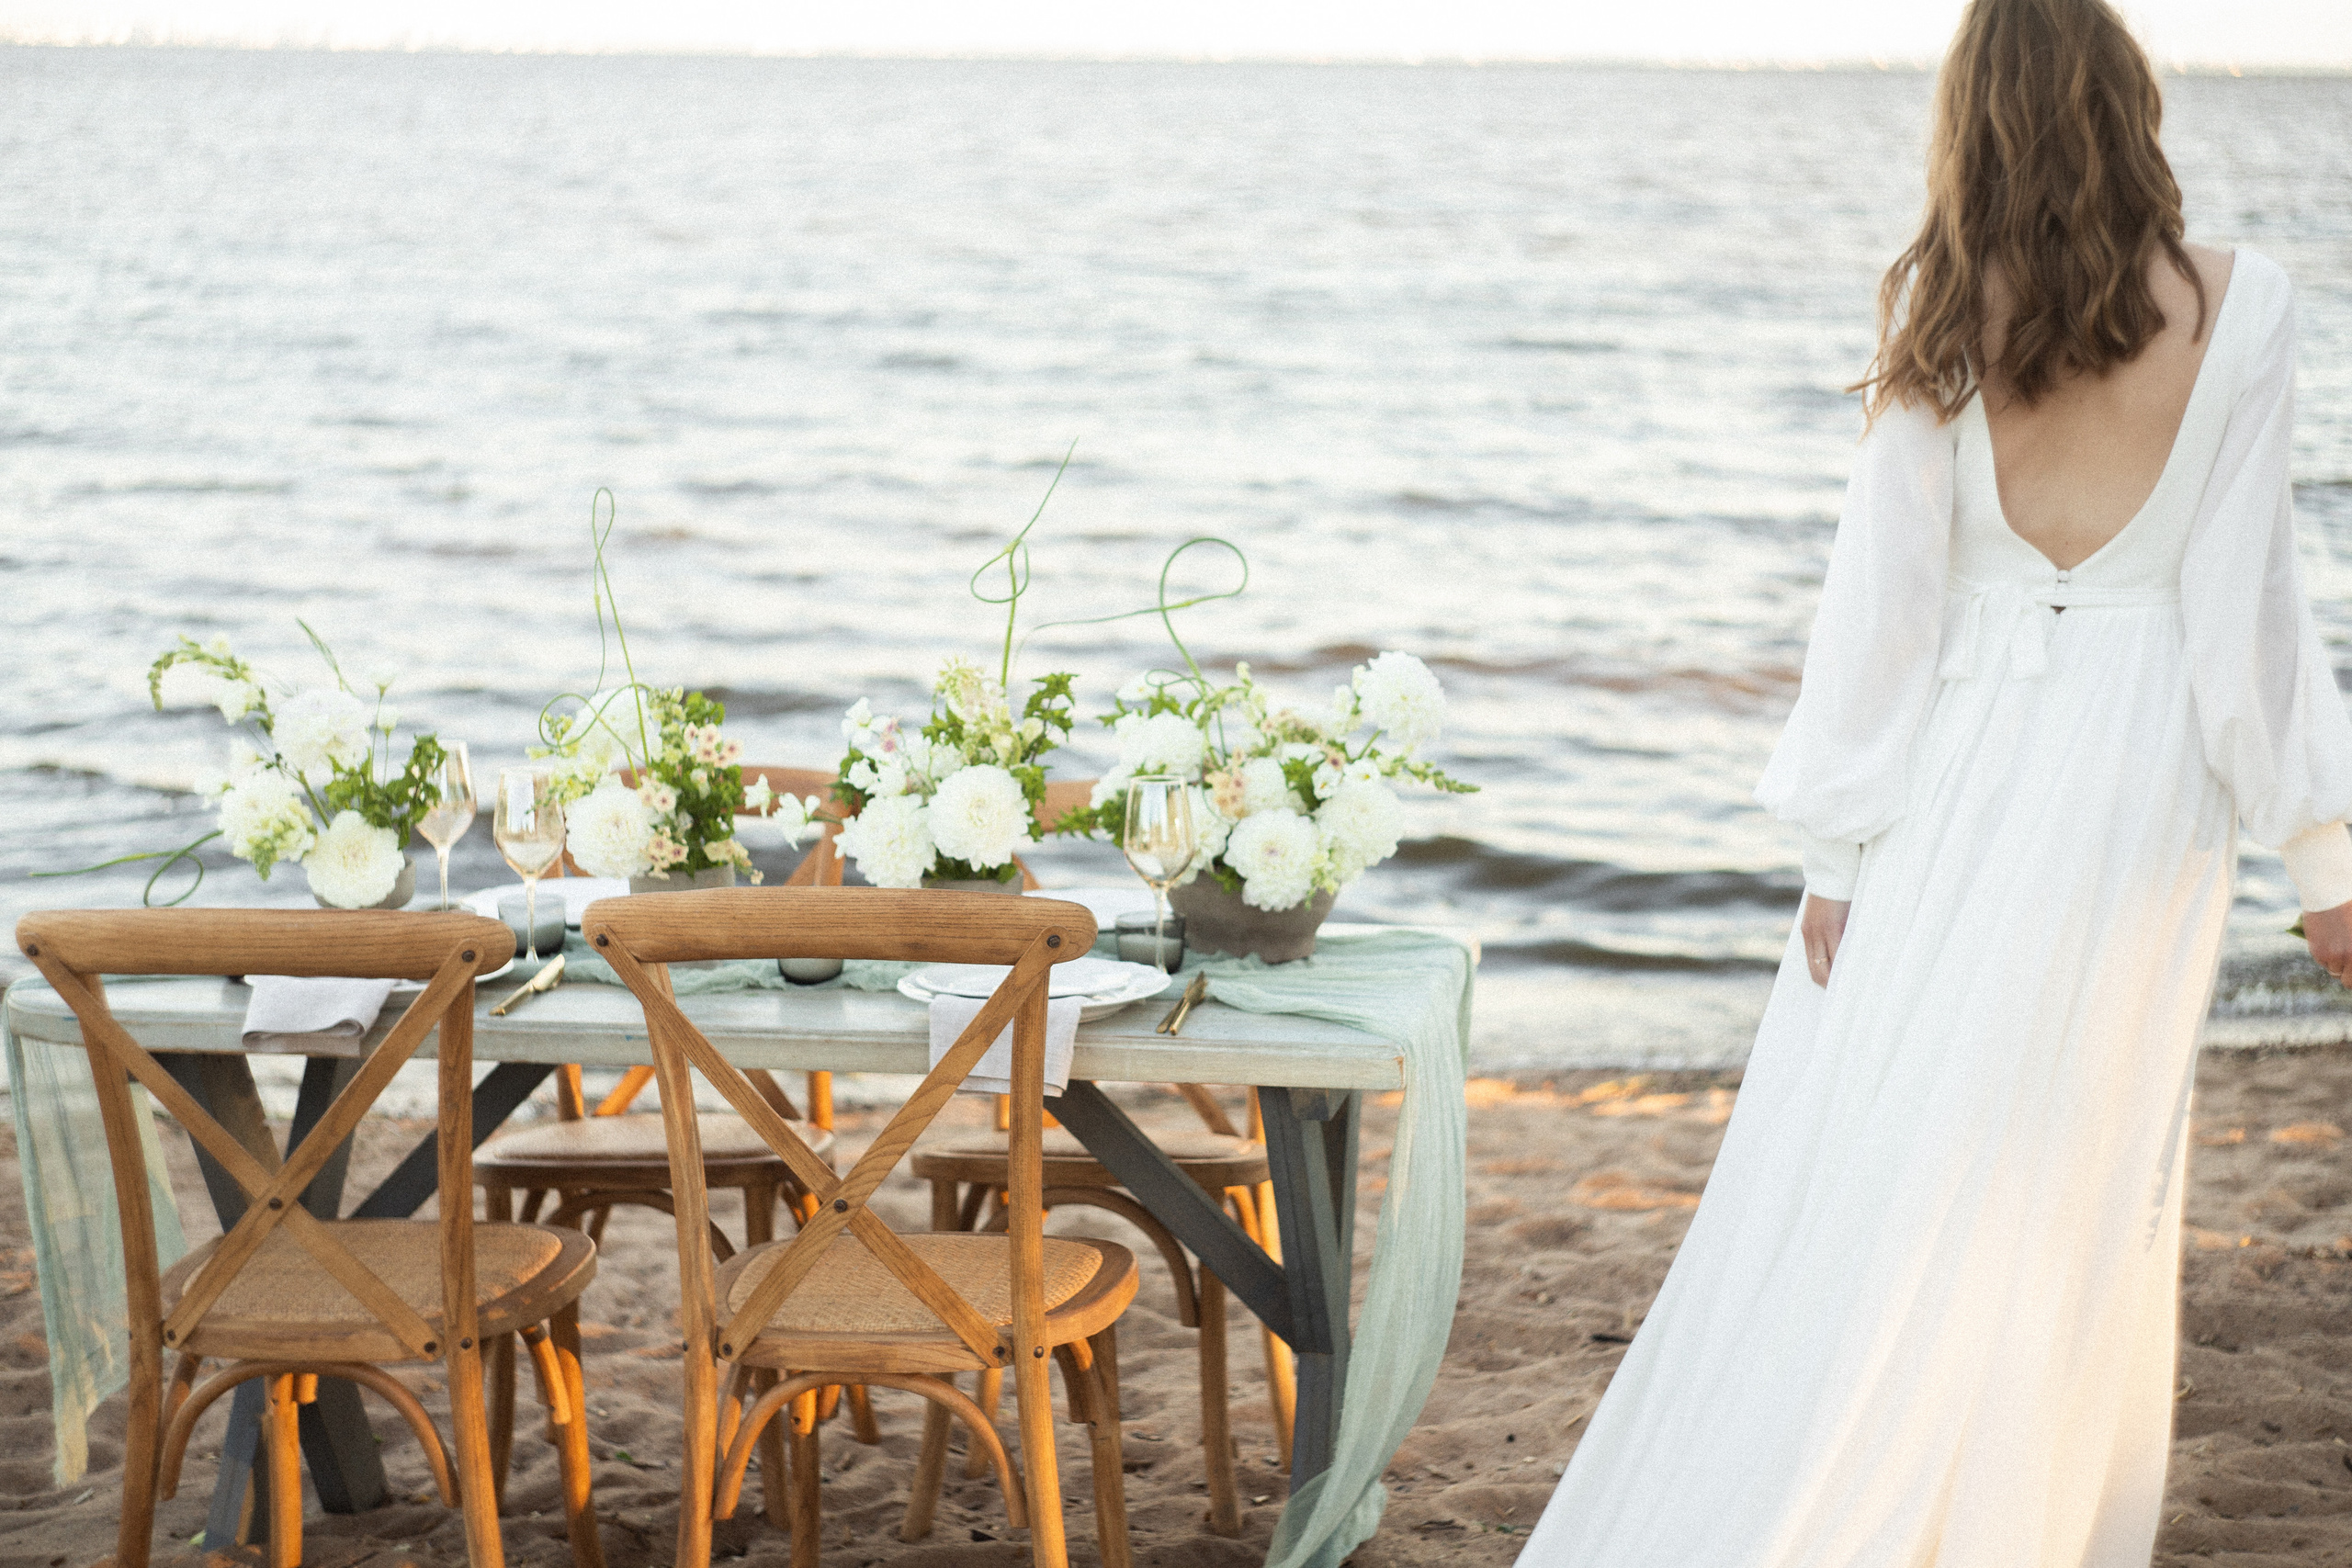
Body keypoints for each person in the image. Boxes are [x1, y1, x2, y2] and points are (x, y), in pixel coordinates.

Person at [1516, 1, 2352, 1562]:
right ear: (2132, 107)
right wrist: (2323, 856)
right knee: (2065, 1167)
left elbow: (1880, 617)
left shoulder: (1939, 320)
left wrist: (1837, 854)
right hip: (2135, 777)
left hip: (1958, 767)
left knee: (1894, 1152)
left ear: (1971, 130)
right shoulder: (2251, 307)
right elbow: (2251, 615)